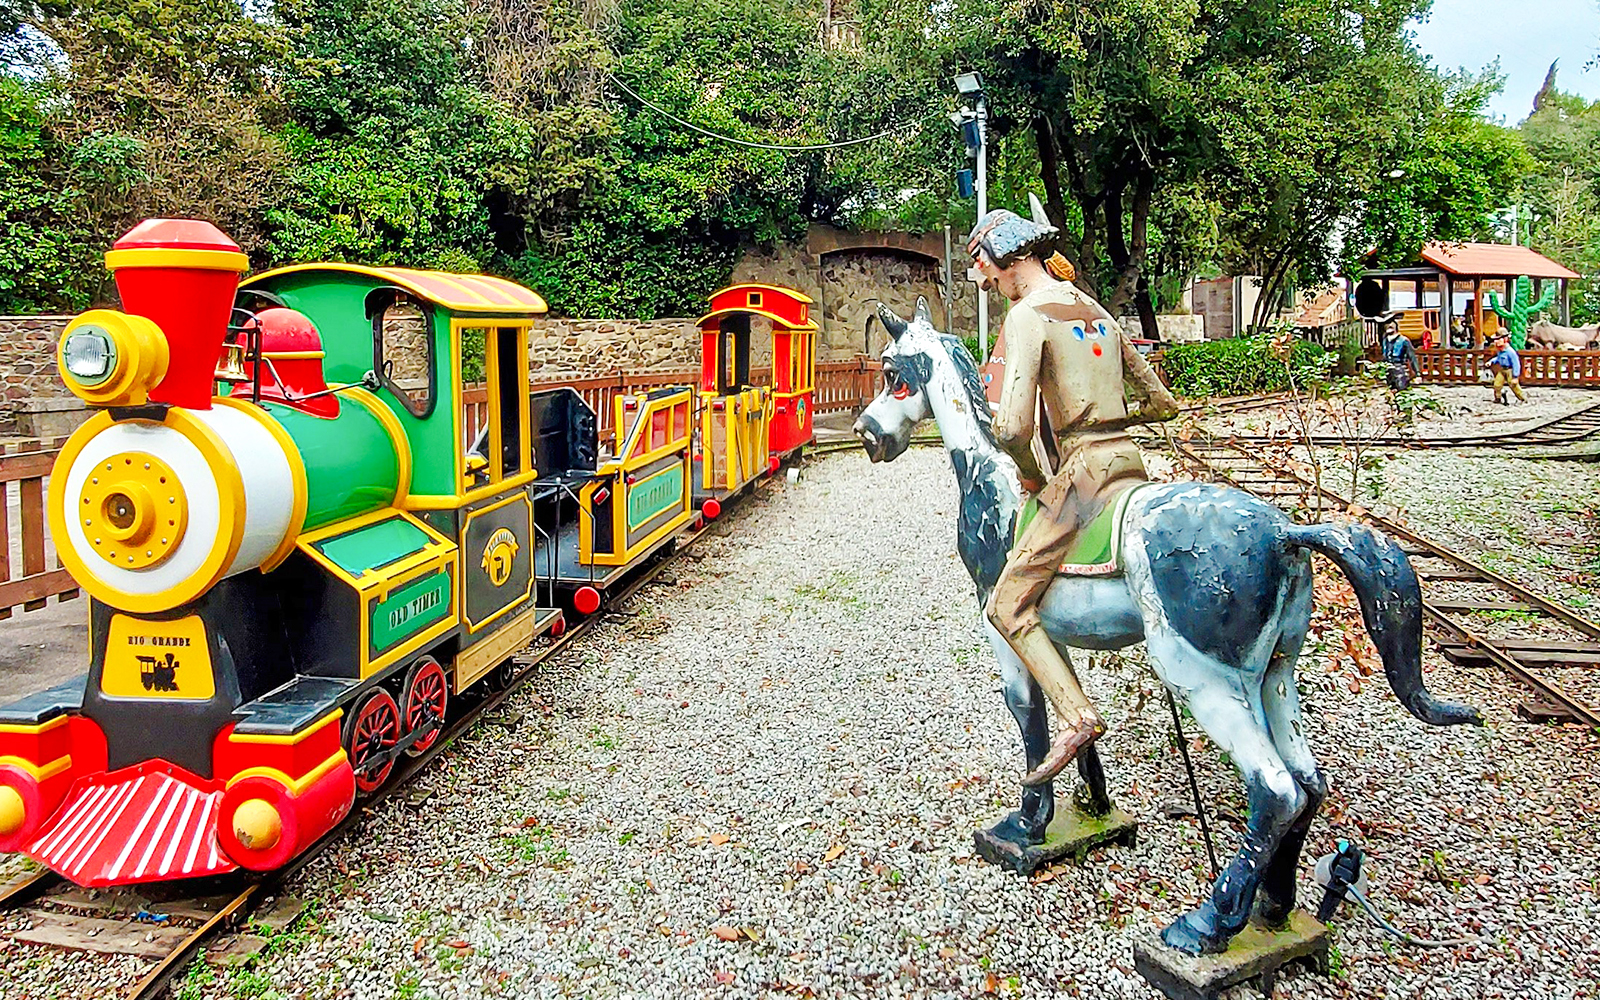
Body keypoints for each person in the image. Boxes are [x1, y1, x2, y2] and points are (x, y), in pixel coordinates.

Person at [969, 209, 1178, 786]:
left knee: (1006, 602)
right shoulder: (1097, 312)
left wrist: (1036, 474)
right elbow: (1164, 404)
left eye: (983, 263)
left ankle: (1076, 713)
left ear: (1009, 255)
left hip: (1083, 471)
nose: (984, 278)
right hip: (1129, 460)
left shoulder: (1027, 315)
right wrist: (1115, 417)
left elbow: (1010, 429)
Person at [1488, 331, 1526, 404]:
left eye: (1498, 339)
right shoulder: (1500, 351)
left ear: (1505, 339)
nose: (1496, 342)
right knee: (1497, 384)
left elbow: (1516, 363)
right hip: (1502, 370)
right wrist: (1491, 361)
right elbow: (1498, 358)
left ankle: (1522, 398)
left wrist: (1515, 376)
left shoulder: (1510, 352)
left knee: (1513, 385)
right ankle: (1498, 398)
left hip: (1510, 370)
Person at [1384, 324, 1419, 391]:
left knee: (1401, 390)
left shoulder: (1403, 340)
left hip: (1400, 369)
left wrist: (1417, 373)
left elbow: (1412, 357)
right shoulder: (1385, 340)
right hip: (1388, 370)